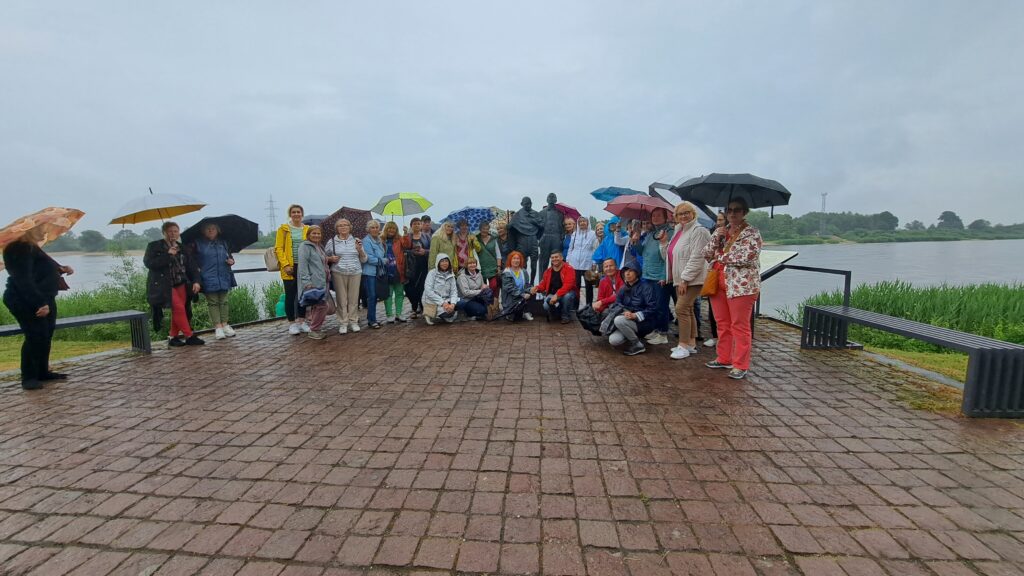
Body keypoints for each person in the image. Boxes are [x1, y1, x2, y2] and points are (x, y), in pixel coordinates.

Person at [2, 227, 74, 390]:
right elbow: (23, 280)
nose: (44, 232)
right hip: (25, 299)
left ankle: (42, 372)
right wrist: (40, 303)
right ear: (28, 230)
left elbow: (44, 266)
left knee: (45, 335)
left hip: (46, 296)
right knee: (35, 335)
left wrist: (62, 268)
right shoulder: (17, 249)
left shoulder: (32, 247)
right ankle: (28, 377)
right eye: (40, 229)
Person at [702, 198, 763, 379]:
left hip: (741, 286)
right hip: (718, 282)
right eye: (729, 210)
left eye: (737, 210)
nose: (732, 213)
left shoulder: (752, 233)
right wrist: (717, 238)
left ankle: (740, 364)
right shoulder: (721, 231)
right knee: (722, 323)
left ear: (744, 212)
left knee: (740, 325)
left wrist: (720, 256)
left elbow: (747, 256)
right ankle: (724, 358)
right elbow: (706, 253)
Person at [661, 202, 711, 360]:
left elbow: (698, 257)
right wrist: (663, 243)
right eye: (680, 214)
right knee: (687, 309)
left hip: (692, 279)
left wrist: (685, 279)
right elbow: (670, 255)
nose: (683, 216)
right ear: (675, 217)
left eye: (686, 212)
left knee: (681, 309)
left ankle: (682, 345)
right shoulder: (679, 231)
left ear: (693, 213)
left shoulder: (699, 231)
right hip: (679, 278)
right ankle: (691, 344)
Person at [144, 221, 204, 348]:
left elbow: (192, 266)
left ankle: (173, 337)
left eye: (175, 231)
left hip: (181, 282)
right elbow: (149, 263)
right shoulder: (154, 246)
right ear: (164, 233)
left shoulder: (183, 248)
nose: (173, 234)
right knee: (179, 308)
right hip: (165, 285)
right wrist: (168, 255)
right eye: (170, 231)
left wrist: (197, 281)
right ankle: (189, 336)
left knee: (178, 309)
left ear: (179, 233)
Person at [620, 208, 673, 345]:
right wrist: (636, 241)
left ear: (665, 218)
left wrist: (665, 275)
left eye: (659, 215)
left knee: (661, 306)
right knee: (653, 305)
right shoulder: (650, 234)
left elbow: (669, 256)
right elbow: (642, 252)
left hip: (660, 276)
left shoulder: (669, 232)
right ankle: (656, 329)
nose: (655, 218)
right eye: (653, 216)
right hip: (648, 274)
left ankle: (663, 333)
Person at [194, 222, 237, 340]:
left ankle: (225, 325)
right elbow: (193, 260)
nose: (211, 230)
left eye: (213, 228)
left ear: (217, 230)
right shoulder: (198, 244)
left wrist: (231, 261)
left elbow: (229, 256)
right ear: (203, 231)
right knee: (213, 302)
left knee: (224, 301)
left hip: (224, 275)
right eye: (208, 229)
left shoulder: (223, 243)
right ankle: (218, 327)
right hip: (208, 276)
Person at [324, 218, 366, 334]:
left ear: (350, 227)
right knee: (341, 299)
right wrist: (330, 258)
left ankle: (353, 321)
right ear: (337, 228)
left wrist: (360, 250)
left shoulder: (357, 241)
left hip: (355, 272)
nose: (343, 227)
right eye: (340, 225)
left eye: (345, 225)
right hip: (338, 272)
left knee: (353, 299)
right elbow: (324, 257)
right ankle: (343, 322)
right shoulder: (332, 242)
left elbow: (364, 259)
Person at [607, 262, 658, 356]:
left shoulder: (646, 287)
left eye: (631, 271)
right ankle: (631, 334)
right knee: (613, 340)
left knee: (618, 320)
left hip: (644, 323)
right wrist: (625, 311)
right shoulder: (623, 288)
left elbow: (653, 308)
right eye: (625, 271)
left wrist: (635, 315)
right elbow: (617, 304)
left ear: (637, 272)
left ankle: (637, 345)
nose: (627, 273)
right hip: (627, 320)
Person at [274, 204, 310, 335]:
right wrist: (285, 265)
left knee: (303, 294)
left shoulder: (307, 229)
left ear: (302, 214)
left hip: (304, 265)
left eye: (298, 212)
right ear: (290, 214)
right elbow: (278, 248)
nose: (296, 214)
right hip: (289, 266)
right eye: (293, 212)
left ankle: (302, 321)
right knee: (290, 295)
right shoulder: (283, 229)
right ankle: (292, 323)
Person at [297, 225, 331, 339]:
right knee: (322, 306)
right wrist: (307, 282)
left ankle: (315, 328)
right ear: (308, 235)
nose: (316, 235)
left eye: (318, 233)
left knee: (317, 306)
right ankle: (314, 330)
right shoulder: (305, 246)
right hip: (313, 282)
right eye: (314, 233)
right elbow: (302, 266)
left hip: (323, 281)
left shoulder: (319, 246)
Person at [531, 252, 576, 324]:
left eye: (556, 257)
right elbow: (543, 285)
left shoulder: (569, 269)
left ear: (561, 258)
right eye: (552, 257)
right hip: (553, 294)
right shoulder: (548, 271)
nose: (554, 259)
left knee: (567, 297)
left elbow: (568, 285)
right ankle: (557, 312)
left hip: (566, 293)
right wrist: (536, 288)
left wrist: (557, 295)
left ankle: (565, 316)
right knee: (545, 306)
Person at [703, 211, 726, 348]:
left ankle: (727, 339)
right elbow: (706, 254)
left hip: (730, 278)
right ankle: (715, 336)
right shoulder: (715, 233)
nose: (719, 223)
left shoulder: (739, 234)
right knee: (713, 308)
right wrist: (717, 237)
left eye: (721, 220)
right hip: (715, 274)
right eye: (718, 220)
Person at [565, 216, 598, 307]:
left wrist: (594, 262)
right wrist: (568, 260)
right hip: (575, 263)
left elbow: (595, 249)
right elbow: (570, 248)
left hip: (587, 263)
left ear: (587, 222)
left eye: (584, 221)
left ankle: (589, 306)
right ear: (578, 223)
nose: (582, 223)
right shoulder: (575, 234)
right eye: (580, 221)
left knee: (588, 286)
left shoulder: (592, 234)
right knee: (576, 286)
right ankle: (575, 306)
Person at [378, 221, 408, 323]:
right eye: (389, 228)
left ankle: (399, 314)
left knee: (399, 293)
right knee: (388, 294)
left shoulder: (400, 239)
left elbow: (407, 245)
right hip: (386, 270)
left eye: (393, 228)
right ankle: (389, 314)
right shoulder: (380, 239)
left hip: (398, 270)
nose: (391, 230)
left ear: (396, 230)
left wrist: (405, 233)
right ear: (386, 229)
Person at [402, 217, 430, 319]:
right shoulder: (407, 237)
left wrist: (424, 252)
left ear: (421, 225)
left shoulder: (426, 236)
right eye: (414, 224)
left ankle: (421, 308)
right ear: (411, 226)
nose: (417, 225)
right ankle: (414, 306)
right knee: (410, 288)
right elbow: (403, 250)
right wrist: (412, 252)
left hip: (423, 266)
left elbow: (431, 249)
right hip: (411, 266)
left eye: (418, 223)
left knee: (422, 287)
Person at [508, 197, 542, 280]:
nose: (528, 205)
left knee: (534, 266)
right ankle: (524, 282)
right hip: (522, 241)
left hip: (533, 240)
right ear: (522, 204)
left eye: (530, 203)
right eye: (526, 204)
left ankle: (532, 282)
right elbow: (512, 228)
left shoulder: (535, 214)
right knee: (523, 265)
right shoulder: (517, 215)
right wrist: (509, 226)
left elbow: (542, 226)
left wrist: (534, 222)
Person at [361, 219, 386, 329]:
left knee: (375, 296)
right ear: (368, 229)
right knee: (372, 296)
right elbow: (369, 258)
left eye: (376, 227)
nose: (375, 229)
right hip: (369, 273)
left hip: (379, 272)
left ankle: (372, 318)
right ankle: (372, 320)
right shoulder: (366, 241)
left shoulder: (379, 240)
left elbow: (381, 254)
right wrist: (382, 261)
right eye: (372, 227)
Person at [422, 252, 459, 324]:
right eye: (442, 261)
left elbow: (454, 291)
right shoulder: (431, 273)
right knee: (448, 313)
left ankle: (447, 314)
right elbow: (428, 291)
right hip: (432, 301)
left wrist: (453, 304)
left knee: (461, 303)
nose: (444, 263)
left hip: (447, 300)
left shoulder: (451, 274)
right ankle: (430, 314)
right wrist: (443, 303)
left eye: (446, 261)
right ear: (438, 262)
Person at [500, 251, 533, 322]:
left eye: (518, 258)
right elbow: (509, 288)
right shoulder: (506, 272)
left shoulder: (524, 271)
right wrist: (523, 295)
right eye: (514, 258)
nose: (516, 260)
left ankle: (525, 311)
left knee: (532, 293)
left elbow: (527, 285)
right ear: (510, 260)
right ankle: (511, 312)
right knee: (513, 318)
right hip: (511, 299)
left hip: (521, 297)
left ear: (520, 260)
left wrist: (531, 289)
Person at [537, 193, 564, 279]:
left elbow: (562, 228)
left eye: (553, 197)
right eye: (550, 197)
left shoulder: (560, 214)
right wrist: (539, 239)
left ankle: (555, 281)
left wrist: (561, 239)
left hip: (556, 238)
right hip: (545, 238)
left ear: (556, 200)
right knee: (543, 262)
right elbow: (537, 228)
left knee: (556, 262)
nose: (551, 199)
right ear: (547, 199)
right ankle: (542, 281)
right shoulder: (541, 213)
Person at [474, 220, 501, 294]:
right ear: (480, 229)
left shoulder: (493, 239)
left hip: (493, 267)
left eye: (486, 229)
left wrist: (498, 267)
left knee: (494, 285)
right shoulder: (475, 239)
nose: (485, 230)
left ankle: (493, 299)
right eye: (483, 228)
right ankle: (486, 300)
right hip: (480, 267)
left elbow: (498, 254)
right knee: (482, 288)